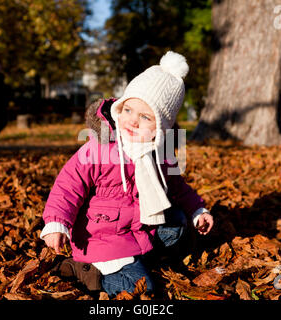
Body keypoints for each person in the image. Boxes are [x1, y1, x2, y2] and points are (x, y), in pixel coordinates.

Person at [40, 51, 214, 296]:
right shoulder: (100, 148)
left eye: (145, 117)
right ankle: (89, 271)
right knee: (141, 291)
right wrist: (57, 223)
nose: (132, 121)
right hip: (100, 238)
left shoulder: (159, 153)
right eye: (128, 110)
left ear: (161, 128)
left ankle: (144, 259)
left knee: (178, 222)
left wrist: (198, 210)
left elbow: (177, 186)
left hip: (137, 229)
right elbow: (68, 185)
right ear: (119, 108)